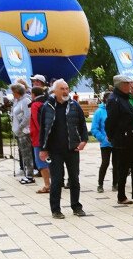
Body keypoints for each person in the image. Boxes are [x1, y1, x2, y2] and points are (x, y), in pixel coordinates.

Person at [38, 79, 89, 219]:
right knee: (56, 180)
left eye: (67, 88)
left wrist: (84, 140)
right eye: (62, 89)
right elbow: (43, 129)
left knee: (74, 179)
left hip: (72, 149)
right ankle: (55, 209)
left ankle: (76, 206)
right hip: (55, 151)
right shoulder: (47, 106)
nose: (66, 91)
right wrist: (43, 149)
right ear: (55, 91)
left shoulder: (74, 106)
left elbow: (82, 125)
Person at [106, 75, 133, 205]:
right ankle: (121, 195)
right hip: (122, 139)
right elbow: (110, 121)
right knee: (123, 168)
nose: (130, 86)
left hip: (132, 138)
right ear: (120, 85)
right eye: (127, 84)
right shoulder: (114, 100)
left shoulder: (124, 98)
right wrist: (112, 136)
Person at [10, 83, 35, 184]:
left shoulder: (25, 101)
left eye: (13, 92)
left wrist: (20, 128)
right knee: (23, 154)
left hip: (24, 131)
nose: (12, 94)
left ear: (17, 92)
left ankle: (29, 175)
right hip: (18, 131)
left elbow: (27, 116)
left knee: (27, 154)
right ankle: (26, 173)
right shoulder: (17, 101)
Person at [91, 91, 114, 193]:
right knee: (105, 163)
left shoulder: (115, 109)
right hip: (105, 143)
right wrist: (103, 138)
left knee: (116, 163)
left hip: (116, 141)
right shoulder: (99, 112)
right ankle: (100, 184)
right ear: (105, 100)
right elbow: (94, 128)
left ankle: (115, 183)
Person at [29, 86, 50, 194]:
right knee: (49, 161)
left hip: (38, 138)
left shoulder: (35, 105)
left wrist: (42, 136)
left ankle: (47, 185)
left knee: (41, 163)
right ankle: (55, 183)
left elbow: (37, 123)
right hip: (49, 137)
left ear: (33, 94)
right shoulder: (47, 102)